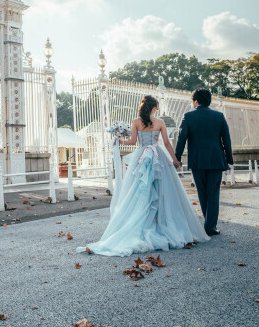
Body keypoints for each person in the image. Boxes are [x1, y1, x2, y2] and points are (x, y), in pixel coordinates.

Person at [79, 95, 209, 257]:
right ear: (154, 107)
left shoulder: (135, 122)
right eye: (157, 106)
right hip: (158, 156)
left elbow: (133, 142)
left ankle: (144, 220)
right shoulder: (160, 122)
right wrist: (175, 159)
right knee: (163, 191)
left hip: (141, 157)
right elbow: (167, 144)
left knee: (140, 190)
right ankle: (161, 222)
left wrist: (119, 141)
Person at [174, 88, 234, 236]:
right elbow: (226, 140)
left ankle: (208, 223)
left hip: (197, 160)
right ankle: (210, 226)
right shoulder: (219, 116)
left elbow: (181, 139)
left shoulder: (188, 116)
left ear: (195, 101)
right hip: (216, 160)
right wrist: (229, 160)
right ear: (209, 101)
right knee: (214, 192)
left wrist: (177, 158)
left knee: (202, 192)